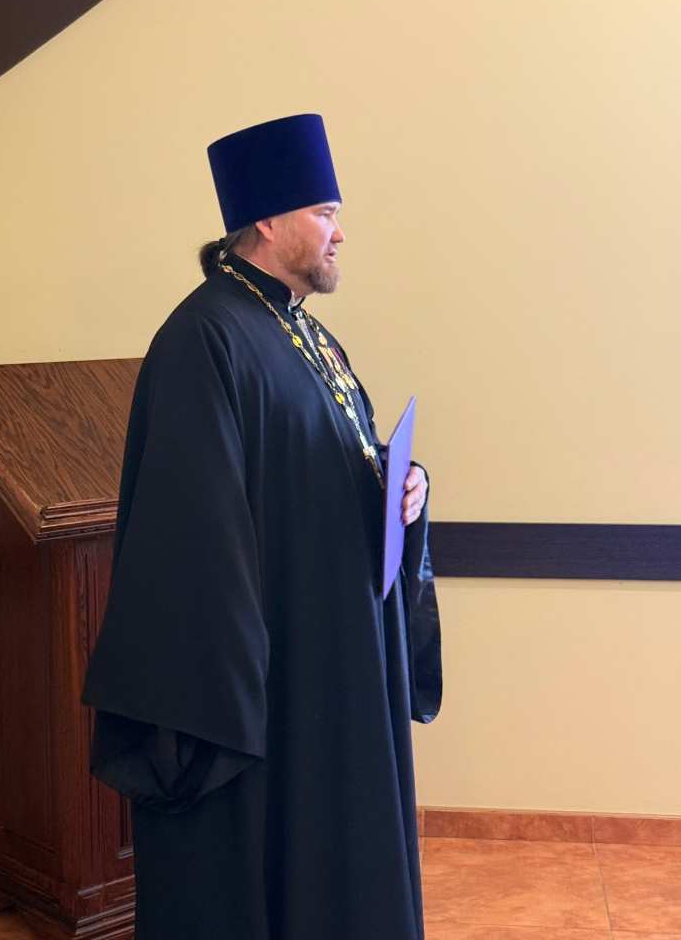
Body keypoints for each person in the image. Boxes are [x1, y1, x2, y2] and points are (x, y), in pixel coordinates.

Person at [81, 113, 442, 940]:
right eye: (324, 212)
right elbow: (191, 533)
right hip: (276, 683)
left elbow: (333, 465)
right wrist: (249, 681)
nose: (340, 232)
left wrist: (402, 487)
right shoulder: (203, 338)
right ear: (269, 221)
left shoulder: (307, 334)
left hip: (337, 660)